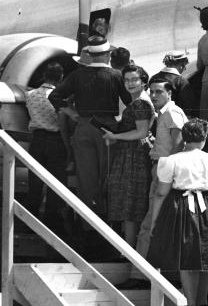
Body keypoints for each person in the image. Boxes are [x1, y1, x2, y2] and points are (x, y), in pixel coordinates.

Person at [147, 118, 208, 306]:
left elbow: (161, 192)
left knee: (187, 255)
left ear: (184, 137)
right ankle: (201, 301)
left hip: (182, 206)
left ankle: (191, 304)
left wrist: (154, 220)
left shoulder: (171, 161)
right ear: (204, 138)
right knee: (205, 257)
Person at [48, 37, 129, 215]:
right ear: (108, 54)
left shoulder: (77, 75)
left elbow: (54, 96)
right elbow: (130, 101)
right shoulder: (116, 76)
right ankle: (108, 222)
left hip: (83, 127)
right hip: (107, 128)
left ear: (90, 55)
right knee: (107, 176)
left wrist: (72, 113)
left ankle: (88, 226)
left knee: (85, 178)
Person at [132, 75, 187, 262]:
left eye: (159, 92)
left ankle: (140, 273)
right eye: (152, 92)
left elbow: (178, 144)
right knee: (152, 223)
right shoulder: (164, 112)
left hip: (165, 172)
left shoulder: (172, 112)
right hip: (160, 169)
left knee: (150, 224)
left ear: (169, 93)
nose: (154, 95)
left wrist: (168, 174)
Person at [102, 65, 155, 246]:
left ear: (143, 82)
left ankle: (130, 249)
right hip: (133, 152)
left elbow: (141, 132)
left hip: (134, 155)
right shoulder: (138, 101)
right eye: (126, 80)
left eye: (134, 80)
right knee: (131, 204)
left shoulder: (140, 103)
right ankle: (131, 247)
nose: (130, 83)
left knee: (130, 204)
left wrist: (115, 136)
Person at [24, 61, 68, 226]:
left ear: (44, 76)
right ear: (61, 77)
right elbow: (63, 123)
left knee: (34, 181)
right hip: (56, 140)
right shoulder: (60, 97)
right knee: (55, 182)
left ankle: (30, 218)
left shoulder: (30, 95)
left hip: (36, 140)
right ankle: (52, 221)